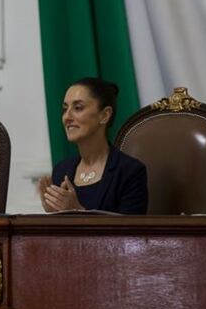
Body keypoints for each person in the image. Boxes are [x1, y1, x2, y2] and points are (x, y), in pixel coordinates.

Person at [37, 77, 148, 214]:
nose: (67, 117)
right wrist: (53, 216)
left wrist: (77, 212)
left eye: (78, 108)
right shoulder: (61, 170)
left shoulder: (129, 171)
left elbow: (130, 234)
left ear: (105, 115)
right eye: (65, 109)